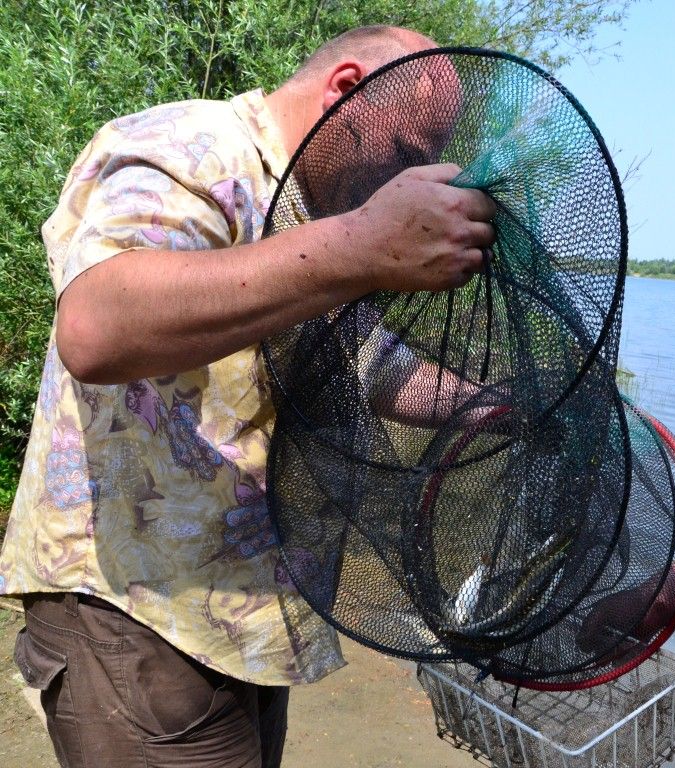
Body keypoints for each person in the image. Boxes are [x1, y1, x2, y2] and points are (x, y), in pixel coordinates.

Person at [0, 25, 497, 768]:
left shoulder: (315, 209)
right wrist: (360, 244)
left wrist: (489, 404)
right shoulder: (194, 147)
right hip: (141, 616)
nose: (410, 180)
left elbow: (369, 362)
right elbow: (96, 325)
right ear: (345, 90)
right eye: (405, 154)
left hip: (255, 623)